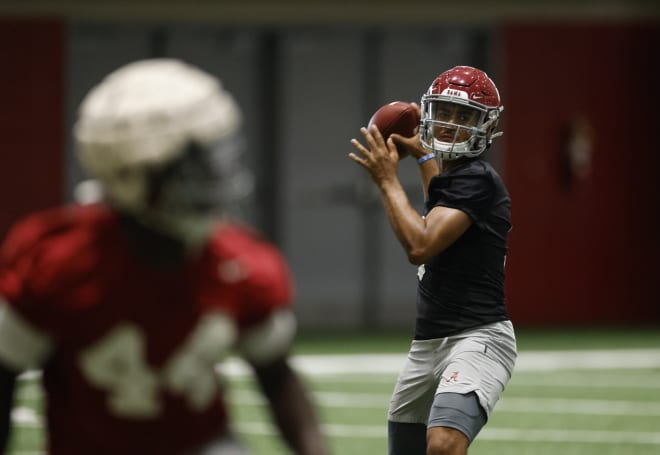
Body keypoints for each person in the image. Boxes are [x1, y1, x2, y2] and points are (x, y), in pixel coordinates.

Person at [0, 59, 327, 455]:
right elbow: (5, 376)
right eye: (195, 168)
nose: (216, 179)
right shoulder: (60, 261)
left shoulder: (239, 261)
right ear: (132, 174)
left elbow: (276, 376)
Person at [348, 66, 517, 455]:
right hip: (429, 343)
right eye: (445, 113)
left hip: (478, 337)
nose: (452, 125)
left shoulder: (478, 178)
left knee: (443, 445)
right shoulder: (456, 179)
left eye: (465, 117)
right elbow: (438, 202)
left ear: (487, 126)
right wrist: (424, 155)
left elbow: (420, 245)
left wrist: (387, 180)